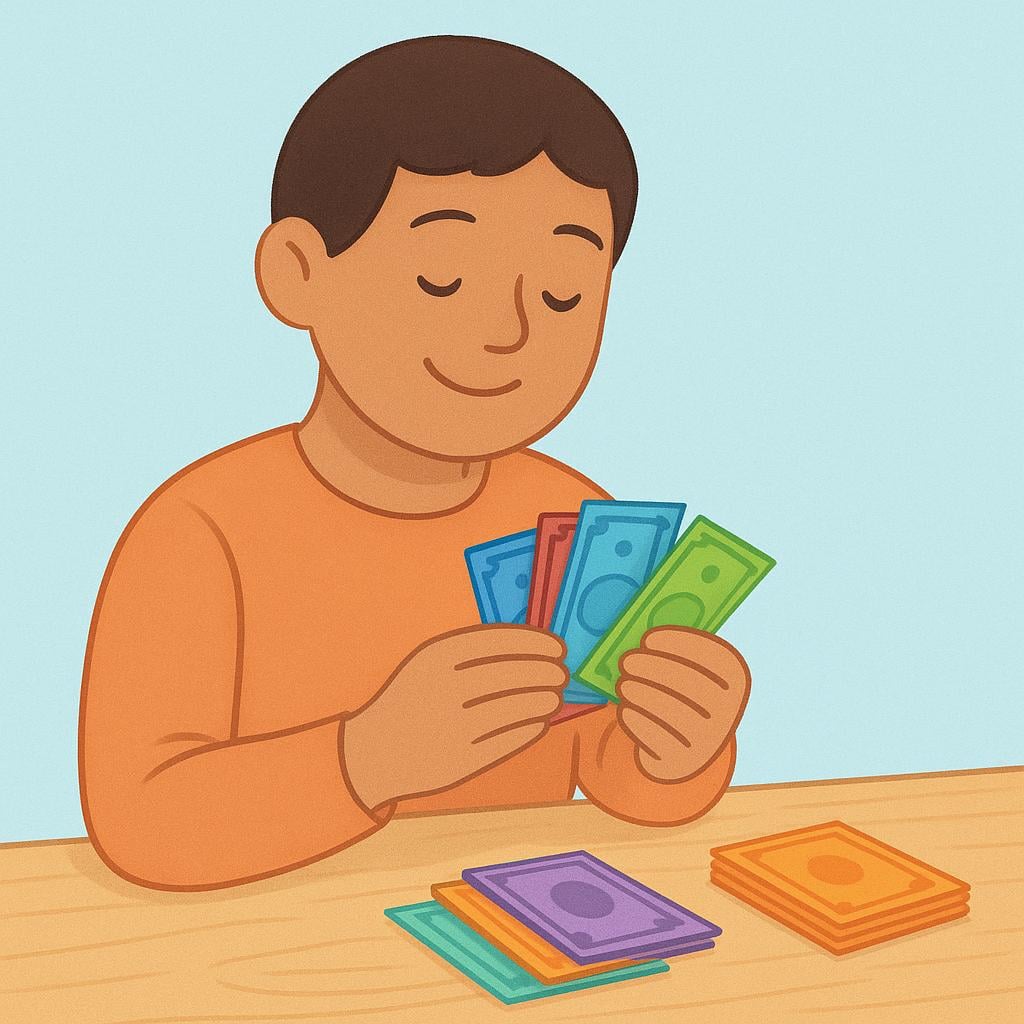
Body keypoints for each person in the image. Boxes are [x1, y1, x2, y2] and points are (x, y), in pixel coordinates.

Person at [78, 36, 752, 891]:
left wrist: (679, 744)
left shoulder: (572, 513)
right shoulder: (200, 530)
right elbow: (141, 825)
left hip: (518, 933)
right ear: (297, 272)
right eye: (441, 277)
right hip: (272, 946)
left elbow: (609, 772)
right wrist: (367, 759)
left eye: (562, 294)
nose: (510, 330)